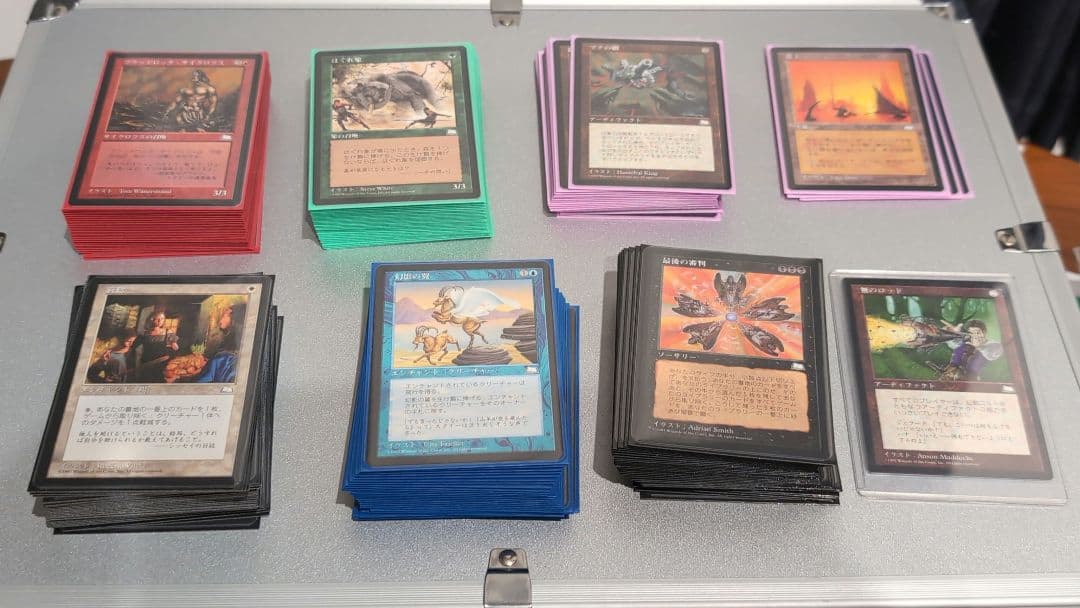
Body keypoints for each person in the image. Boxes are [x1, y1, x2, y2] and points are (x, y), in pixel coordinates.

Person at [132, 310, 179, 382]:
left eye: (162, 319)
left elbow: (176, 348)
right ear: (152, 319)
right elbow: (133, 346)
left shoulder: (168, 332)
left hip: (161, 364)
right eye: (158, 319)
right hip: (147, 363)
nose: (160, 321)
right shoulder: (144, 334)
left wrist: (172, 344)